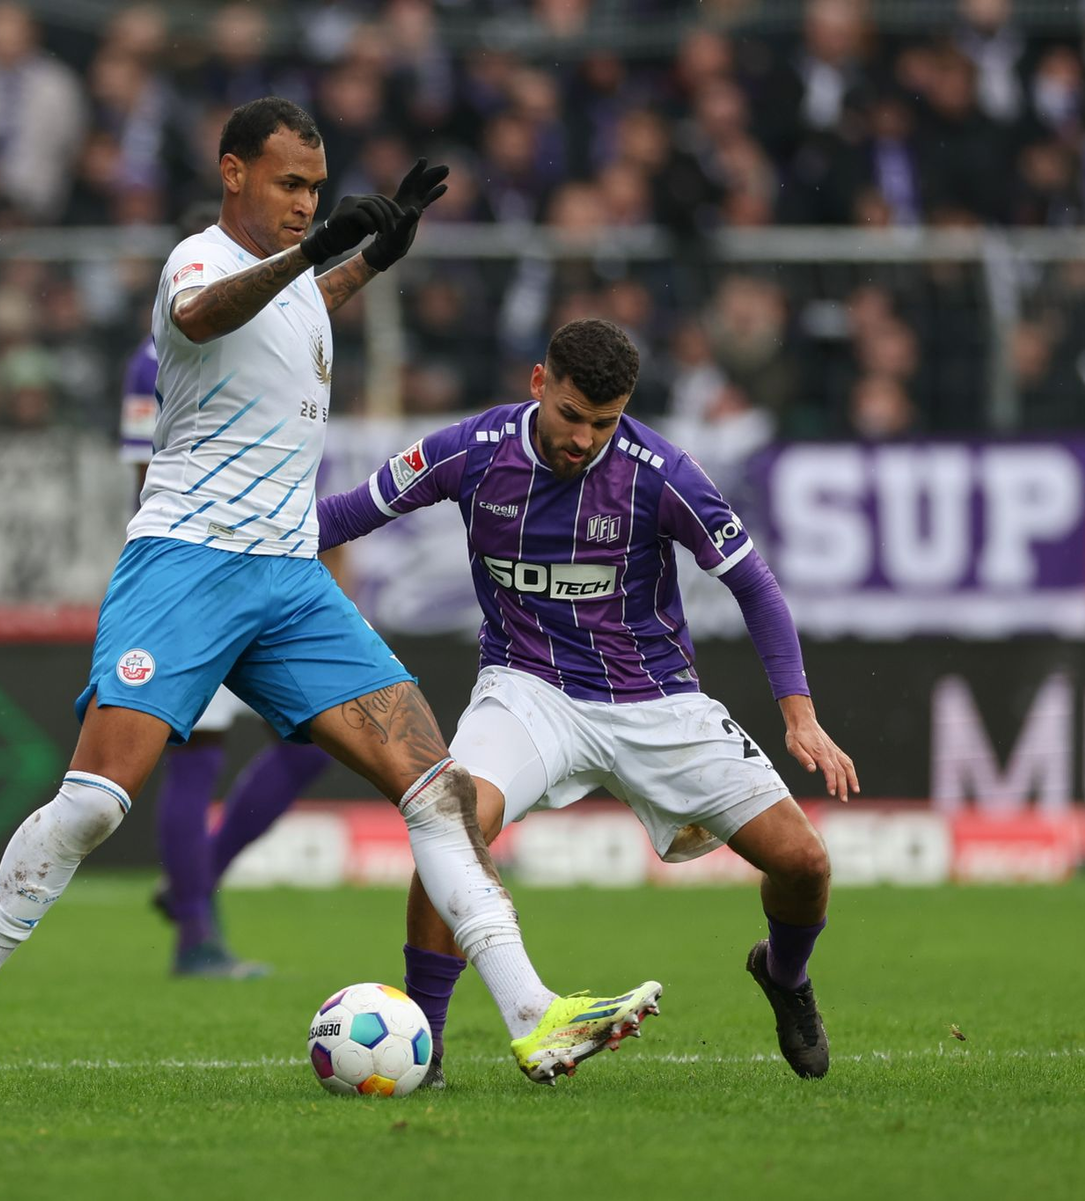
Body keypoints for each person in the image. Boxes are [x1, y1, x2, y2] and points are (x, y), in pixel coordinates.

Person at [0, 99, 661, 1102]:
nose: (305, 202)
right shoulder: (198, 260)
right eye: (288, 184)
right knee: (93, 805)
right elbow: (213, 317)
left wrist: (370, 261)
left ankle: (534, 1015)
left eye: (315, 187)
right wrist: (318, 256)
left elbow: (299, 306)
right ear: (233, 173)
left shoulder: (302, 276)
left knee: (437, 786)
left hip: (290, 575)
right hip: (185, 562)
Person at [318, 318, 858, 1084]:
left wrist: (798, 711)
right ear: (540, 384)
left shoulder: (659, 470)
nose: (584, 438)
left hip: (657, 699)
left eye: (604, 423)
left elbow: (754, 584)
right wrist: (235, 546)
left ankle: (786, 976)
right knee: (453, 821)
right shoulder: (469, 453)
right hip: (527, 688)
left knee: (803, 863)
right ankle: (426, 1045)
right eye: (572, 415)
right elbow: (343, 516)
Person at [120, 323, 329, 978]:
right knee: (196, 757)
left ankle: (195, 880)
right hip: (193, 577)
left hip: (270, 571)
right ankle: (195, 938)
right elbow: (145, 471)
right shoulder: (153, 361)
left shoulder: (282, 342)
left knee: (314, 741)